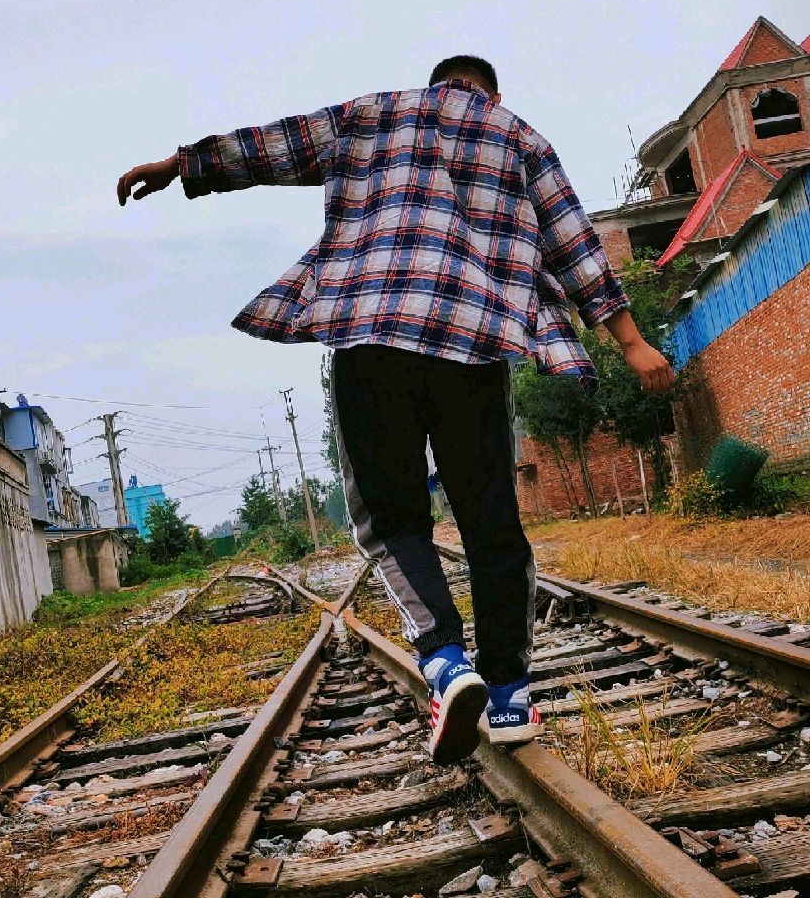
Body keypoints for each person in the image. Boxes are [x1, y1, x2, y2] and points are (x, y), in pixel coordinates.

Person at [117, 55, 675, 765]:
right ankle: (509, 698)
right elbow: (576, 246)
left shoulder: (374, 113)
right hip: (473, 347)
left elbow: (274, 145)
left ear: (435, 84)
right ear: (492, 93)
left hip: (372, 337)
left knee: (390, 521)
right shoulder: (518, 135)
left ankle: (445, 659)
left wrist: (180, 165)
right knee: (493, 527)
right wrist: (632, 344)